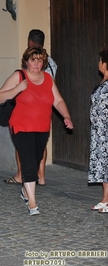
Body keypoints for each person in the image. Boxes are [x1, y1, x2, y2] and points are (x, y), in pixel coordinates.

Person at [0, 46, 73, 215]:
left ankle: (25, 191)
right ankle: (32, 202)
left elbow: (58, 100)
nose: (36, 64)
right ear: (26, 61)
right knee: (29, 161)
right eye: (33, 60)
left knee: (37, 158)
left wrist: (66, 116)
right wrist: (18, 89)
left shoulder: (47, 78)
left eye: (39, 61)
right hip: (21, 126)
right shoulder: (19, 76)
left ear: (43, 63)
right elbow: (0, 96)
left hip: (42, 127)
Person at [4, 29, 57, 186]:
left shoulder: (33, 61)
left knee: (23, 142)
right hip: (46, 107)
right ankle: (41, 176)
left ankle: (21, 175)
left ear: (30, 42)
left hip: (30, 108)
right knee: (40, 142)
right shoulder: (51, 62)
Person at [90, 48, 108, 213]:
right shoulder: (104, 81)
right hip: (100, 132)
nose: (98, 63)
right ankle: (105, 198)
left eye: (100, 60)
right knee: (103, 165)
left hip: (106, 131)